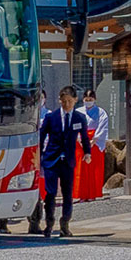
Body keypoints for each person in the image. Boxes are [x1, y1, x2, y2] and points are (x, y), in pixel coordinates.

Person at [37, 85, 92, 237]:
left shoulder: (79, 118)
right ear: (59, 100)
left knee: (68, 194)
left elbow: (85, 138)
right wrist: (39, 156)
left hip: (68, 160)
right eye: (64, 101)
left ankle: (65, 222)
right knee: (51, 192)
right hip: (51, 160)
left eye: (70, 101)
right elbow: (41, 138)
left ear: (75, 100)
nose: (67, 104)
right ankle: (49, 222)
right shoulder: (51, 117)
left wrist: (87, 152)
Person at [76, 88, 109, 201]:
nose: (88, 101)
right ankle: (82, 194)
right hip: (81, 141)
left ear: (94, 99)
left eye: (90, 99)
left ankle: (93, 193)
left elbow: (102, 127)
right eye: (86, 99)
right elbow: (74, 126)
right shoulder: (78, 111)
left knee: (94, 168)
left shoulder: (101, 112)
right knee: (81, 170)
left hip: (94, 142)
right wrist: (80, 139)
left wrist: (94, 140)